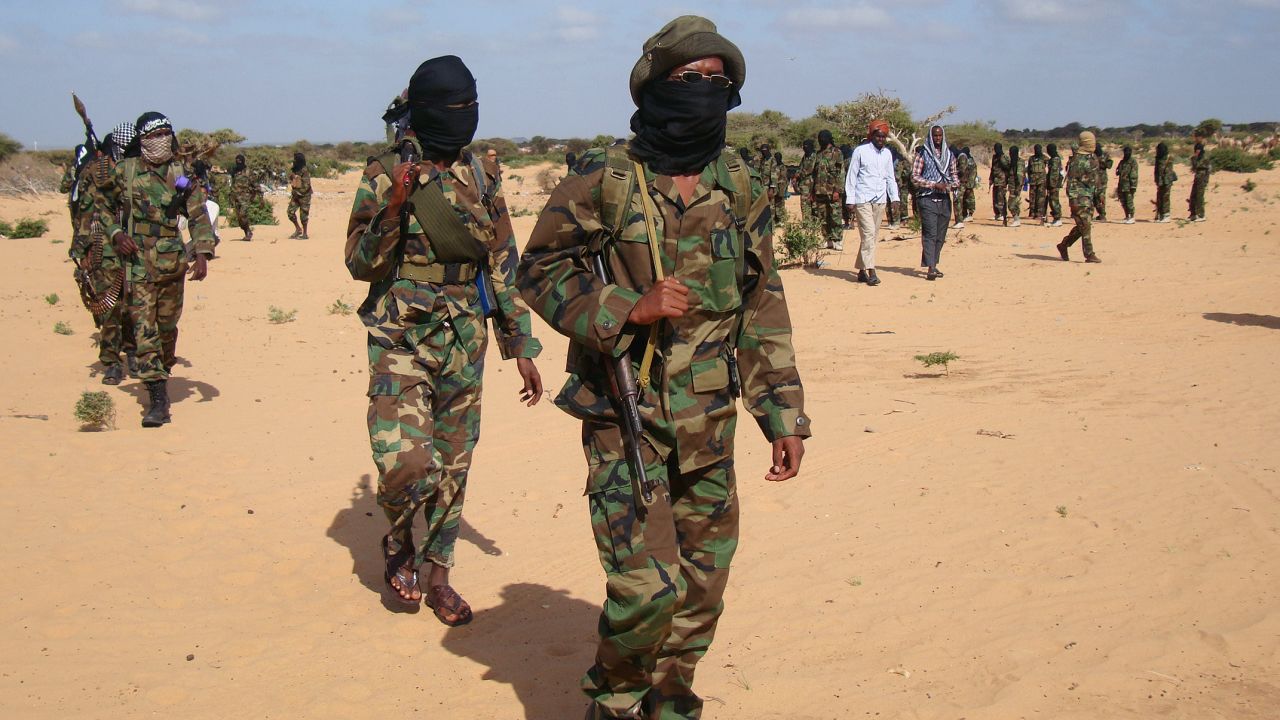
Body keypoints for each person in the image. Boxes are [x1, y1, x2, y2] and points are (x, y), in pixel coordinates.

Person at [517, 16, 810, 719]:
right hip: (626, 419)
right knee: (644, 588)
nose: (705, 93)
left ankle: (670, 698)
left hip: (708, 420)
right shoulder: (602, 183)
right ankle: (615, 702)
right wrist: (623, 306)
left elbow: (761, 302)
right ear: (653, 88)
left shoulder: (739, 185)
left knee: (705, 584)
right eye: (689, 80)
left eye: (719, 82)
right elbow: (538, 271)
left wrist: (782, 412)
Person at [345, 55, 543, 623]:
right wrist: (395, 205)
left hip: (464, 337)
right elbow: (359, 263)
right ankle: (398, 538)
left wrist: (520, 343)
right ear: (426, 110)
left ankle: (438, 575)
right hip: (400, 334)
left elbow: (502, 256)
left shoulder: (483, 169)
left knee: (454, 465)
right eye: (452, 108)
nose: (464, 117)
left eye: (470, 106)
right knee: (405, 463)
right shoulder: (383, 170)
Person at [96, 111, 215, 425]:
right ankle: (158, 400)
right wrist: (116, 234)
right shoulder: (126, 171)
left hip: (172, 261)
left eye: (165, 133)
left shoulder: (180, 173)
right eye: (153, 135)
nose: (160, 140)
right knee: (144, 330)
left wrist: (202, 252)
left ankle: (163, 369)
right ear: (141, 140)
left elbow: (198, 213)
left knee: (166, 328)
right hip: (138, 264)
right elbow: (103, 206)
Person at [72, 122, 139, 384]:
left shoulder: (135, 169)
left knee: (134, 303)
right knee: (109, 306)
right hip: (103, 245)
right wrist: (83, 249)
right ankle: (111, 361)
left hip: (134, 244)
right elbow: (83, 211)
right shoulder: (96, 169)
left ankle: (133, 352)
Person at [844, 119, 899, 286]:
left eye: (883, 136)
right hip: (862, 199)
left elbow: (890, 177)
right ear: (871, 135)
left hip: (880, 199)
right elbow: (851, 176)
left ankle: (861, 270)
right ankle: (871, 271)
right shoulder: (860, 151)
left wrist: (894, 197)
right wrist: (850, 199)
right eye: (878, 136)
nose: (881, 139)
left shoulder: (888, 154)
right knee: (868, 234)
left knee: (872, 237)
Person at [912, 125, 959, 280]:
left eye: (939, 136)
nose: (937, 139)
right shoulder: (923, 154)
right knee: (930, 234)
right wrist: (933, 184)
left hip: (944, 199)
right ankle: (930, 268)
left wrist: (954, 185)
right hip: (927, 198)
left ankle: (934, 263)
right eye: (935, 136)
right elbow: (915, 177)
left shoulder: (949, 155)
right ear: (930, 137)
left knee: (940, 235)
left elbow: (953, 174)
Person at [1055, 132, 1102, 263]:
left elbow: (1095, 180)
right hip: (1079, 198)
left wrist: (1098, 197)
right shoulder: (1076, 160)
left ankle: (1064, 244)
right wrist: (1073, 200)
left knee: (1083, 226)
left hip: (1089, 197)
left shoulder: (1093, 158)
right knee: (1085, 225)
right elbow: (1071, 182)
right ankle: (1089, 254)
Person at [813, 129, 845, 250]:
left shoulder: (837, 152)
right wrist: (812, 191)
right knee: (823, 216)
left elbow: (840, 173)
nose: (821, 140)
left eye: (823, 138)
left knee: (835, 215)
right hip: (819, 191)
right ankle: (827, 239)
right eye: (819, 138)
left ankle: (837, 239)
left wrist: (837, 190)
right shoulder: (818, 154)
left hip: (833, 191)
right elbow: (814, 174)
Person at [229, 154, 257, 241]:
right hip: (236, 198)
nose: (238, 163)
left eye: (240, 161)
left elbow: (255, 184)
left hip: (245, 197)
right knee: (239, 219)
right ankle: (247, 232)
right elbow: (233, 184)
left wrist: (259, 196)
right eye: (237, 161)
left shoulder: (248, 172)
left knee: (243, 214)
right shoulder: (234, 171)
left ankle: (248, 232)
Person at [287, 152, 312, 239]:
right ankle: (298, 229)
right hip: (296, 195)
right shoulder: (295, 169)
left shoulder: (304, 171)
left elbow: (306, 186)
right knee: (290, 212)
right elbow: (292, 179)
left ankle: (305, 233)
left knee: (303, 215)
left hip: (304, 196)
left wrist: (298, 192)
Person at [1115, 145, 1138, 224]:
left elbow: (1134, 175)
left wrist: (1133, 186)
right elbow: (1118, 171)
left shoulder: (1133, 162)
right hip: (1121, 185)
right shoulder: (1122, 162)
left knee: (1129, 201)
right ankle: (1127, 215)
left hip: (1129, 186)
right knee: (1123, 201)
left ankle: (1131, 216)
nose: (1126, 153)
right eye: (1125, 152)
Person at [1154, 141, 1177, 222]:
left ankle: (1166, 215)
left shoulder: (1168, 158)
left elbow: (1167, 170)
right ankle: (1160, 214)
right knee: (1160, 197)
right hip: (1161, 181)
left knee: (1165, 198)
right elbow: (1157, 171)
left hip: (1167, 181)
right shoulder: (1158, 158)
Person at [1188, 142, 1210, 222]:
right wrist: (1193, 159)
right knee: (1193, 195)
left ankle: (1201, 215)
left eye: (1198, 149)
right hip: (1197, 178)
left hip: (1202, 179)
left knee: (1199, 197)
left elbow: (1201, 167)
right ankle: (1193, 214)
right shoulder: (1195, 158)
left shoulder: (1204, 158)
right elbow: (1194, 168)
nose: (1197, 151)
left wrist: (1195, 158)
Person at [1026, 144, 1048, 223]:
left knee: (1041, 197)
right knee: (1032, 197)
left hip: (1041, 180)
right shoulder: (1031, 158)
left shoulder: (1044, 157)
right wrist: (1029, 178)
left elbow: (1050, 163)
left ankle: (1039, 213)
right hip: (1033, 180)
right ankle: (1032, 213)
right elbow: (1029, 169)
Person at [1092, 143, 1113, 222]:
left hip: (1102, 180)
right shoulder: (1092, 155)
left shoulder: (1105, 155)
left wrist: (1101, 162)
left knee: (1101, 197)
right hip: (1093, 179)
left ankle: (1102, 215)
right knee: (1094, 198)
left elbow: (1109, 165)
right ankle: (1098, 214)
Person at [797, 138, 816, 219]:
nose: (804, 148)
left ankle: (815, 221)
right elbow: (800, 167)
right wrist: (796, 175)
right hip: (804, 184)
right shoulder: (805, 156)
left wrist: (799, 174)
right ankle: (806, 221)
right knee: (804, 203)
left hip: (813, 183)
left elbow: (810, 169)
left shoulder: (814, 156)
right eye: (803, 146)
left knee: (814, 203)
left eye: (806, 146)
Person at [989, 142, 1008, 224]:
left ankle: (1002, 214)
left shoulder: (1004, 157)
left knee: (1001, 198)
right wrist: (991, 178)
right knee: (995, 198)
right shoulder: (994, 157)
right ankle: (997, 213)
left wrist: (1001, 158)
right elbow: (992, 168)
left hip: (1002, 180)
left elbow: (1007, 167)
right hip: (995, 180)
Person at [1046, 143, 1064, 226]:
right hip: (1053, 182)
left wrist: (1051, 184)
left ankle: (1057, 218)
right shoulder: (1053, 158)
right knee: (1052, 200)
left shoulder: (1055, 159)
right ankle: (1056, 218)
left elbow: (1054, 173)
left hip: (1054, 183)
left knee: (1054, 201)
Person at [1006, 145, 1023, 227]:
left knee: (1011, 204)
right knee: (1015, 203)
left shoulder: (1019, 162)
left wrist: (1018, 187)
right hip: (1012, 186)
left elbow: (1020, 176)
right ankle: (1017, 219)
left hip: (1016, 187)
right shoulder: (1012, 162)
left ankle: (1016, 220)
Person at [960, 146, 977, 222]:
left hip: (968, 182)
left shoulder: (968, 161)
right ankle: (967, 214)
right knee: (967, 198)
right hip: (969, 182)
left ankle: (969, 214)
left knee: (969, 198)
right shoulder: (970, 160)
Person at [771, 150, 787, 220]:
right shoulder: (774, 166)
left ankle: (781, 218)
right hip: (775, 187)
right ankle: (775, 217)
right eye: (776, 157)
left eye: (778, 157)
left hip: (780, 187)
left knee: (780, 203)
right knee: (773, 203)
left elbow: (783, 178)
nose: (777, 159)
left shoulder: (782, 167)